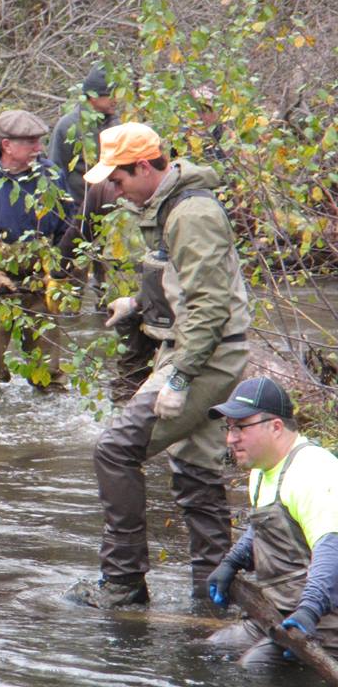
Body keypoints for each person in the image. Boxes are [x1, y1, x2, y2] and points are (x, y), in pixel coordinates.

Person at [68, 122, 250, 607]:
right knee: (196, 467)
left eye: (120, 179)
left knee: (114, 449)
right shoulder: (166, 206)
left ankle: (124, 581)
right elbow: (183, 286)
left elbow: (211, 307)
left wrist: (182, 376)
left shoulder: (191, 214)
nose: (115, 189)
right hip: (198, 347)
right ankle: (214, 592)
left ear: (145, 167)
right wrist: (137, 304)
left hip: (205, 356)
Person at [206, 376, 338, 668]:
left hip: (323, 620)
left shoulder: (314, 472)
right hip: (277, 613)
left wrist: (309, 612)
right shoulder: (263, 469)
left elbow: (332, 550)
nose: (230, 438)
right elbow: (269, 527)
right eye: (228, 428)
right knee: (214, 649)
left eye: (240, 427)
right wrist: (232, 562)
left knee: (253, 669)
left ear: (276, 427)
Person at [0, 109, 73, 392]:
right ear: (7, 145)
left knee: (49, 372)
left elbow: (69, 227)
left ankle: (51, 424)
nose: (39, 148)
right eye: (31, 142)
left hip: (42, 284)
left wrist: (59, 272)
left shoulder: (53, 177)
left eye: (39, 141)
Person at [48, 65, 119, 211]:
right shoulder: (68, 126)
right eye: (110, 95)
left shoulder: (117, 124)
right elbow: (55, 172)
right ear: (93, 97)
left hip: (113, 214)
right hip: (78, 214)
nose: (115, 100)